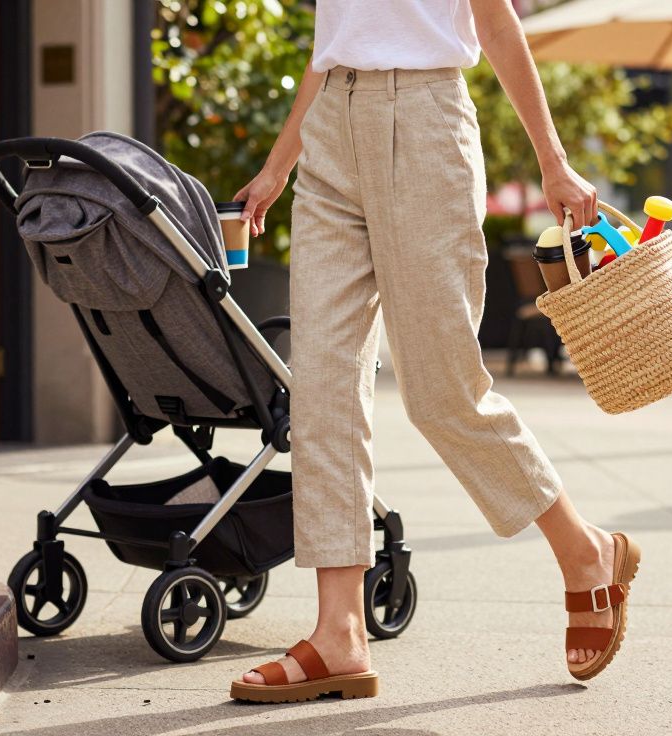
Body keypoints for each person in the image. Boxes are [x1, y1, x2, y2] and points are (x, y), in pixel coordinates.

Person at [227, 0, 639, 703]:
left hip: (422, 124)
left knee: (442, 391)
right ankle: (339, 633)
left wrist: (554, 162)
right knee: (322, 390)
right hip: (330, 129)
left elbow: (497, 21)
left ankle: (584, 550)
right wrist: (277, 166)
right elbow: (334, 43)